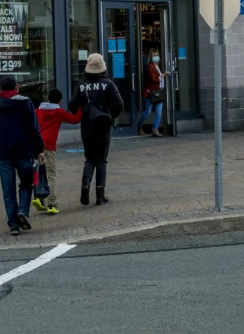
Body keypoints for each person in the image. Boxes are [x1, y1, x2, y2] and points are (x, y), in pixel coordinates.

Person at [0, 74, 45, 235]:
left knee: (8, 189)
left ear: (1, 89)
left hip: (4, 154)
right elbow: (34, 129)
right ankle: (23, 211)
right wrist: (39, 149)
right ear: (16, 87)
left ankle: (13, 225)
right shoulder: (26, 103)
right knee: (26, 183)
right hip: (25, 151)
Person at [69, 53, 124, 206]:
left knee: (89, 158)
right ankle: (100, 195)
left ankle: (85, 186)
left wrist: (83, 107)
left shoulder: (81, 85)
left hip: (87, 125)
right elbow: (119, 104)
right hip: (103, 125)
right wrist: (111, 116)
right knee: (101, 160)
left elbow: (72, 107)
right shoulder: (108, 84)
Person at [33, 88, 81, 215]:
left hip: (37, 146)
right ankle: (51, 203)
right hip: (49, 146)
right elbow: (75, 119)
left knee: (39, 171)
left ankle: (38, 197)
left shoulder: (38, 111)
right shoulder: (59, 112)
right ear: (60, 101)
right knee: (51, 174)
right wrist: (81, 107)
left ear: (47, 98)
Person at [136, 48, 167, 136]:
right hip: (150, 93)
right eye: (154, 56)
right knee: (148, 112)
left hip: (159, 92)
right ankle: (139, 125)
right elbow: (154, 80)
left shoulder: (158, 66)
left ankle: (155, 129)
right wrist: (164, 75)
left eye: (157, 55)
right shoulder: (150, 67)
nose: (156, 57)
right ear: (150, 57)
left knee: (158, 112)